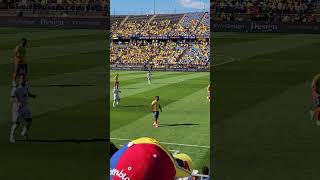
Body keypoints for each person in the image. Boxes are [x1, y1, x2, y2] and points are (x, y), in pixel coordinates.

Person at [10, 73, 36, 143]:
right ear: (19, 79)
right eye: (20, 78)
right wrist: (17, 102)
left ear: (24, 79)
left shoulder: (26, 86)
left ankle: (23, 132)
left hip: (24, 106)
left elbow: (27, 93)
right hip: (17, 108)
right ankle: (11, 136)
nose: (21, 80)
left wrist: (32, 96)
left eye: (22, 78)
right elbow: (12, 98)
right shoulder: (16, 87)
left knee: (29, 120)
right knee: (17, 123)